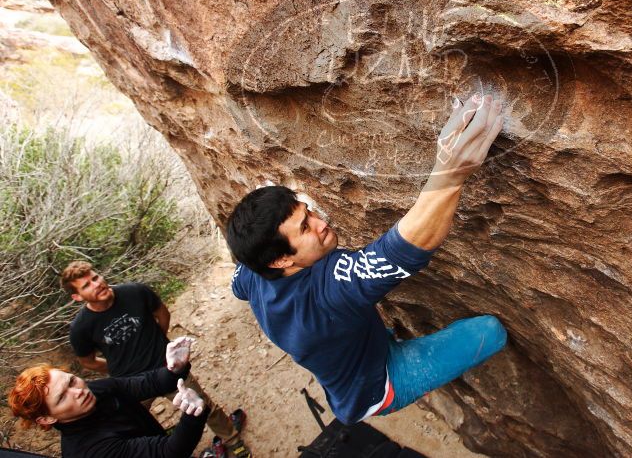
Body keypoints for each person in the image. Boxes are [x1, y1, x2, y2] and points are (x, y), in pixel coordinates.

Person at [226, 93, 508, 424]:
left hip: (347, 363)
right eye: (305, 227)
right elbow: (402, 251)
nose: (321, 223)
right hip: (376, 388)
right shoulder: (327, 292)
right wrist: (450, 173)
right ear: (279, 261)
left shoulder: (252, 273)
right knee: (490, 331)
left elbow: (237, 283)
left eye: (309, 212)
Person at [61, 261, 248, 455]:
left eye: (95, 277)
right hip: (129, 384)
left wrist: (158, 344)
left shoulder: (134, 292)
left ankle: (232, 439)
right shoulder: (81, 328)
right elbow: (87, 361)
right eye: (86, 285)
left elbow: (162, 314)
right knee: (134, 425)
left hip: (167, 368)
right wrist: (117, 368)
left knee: (203, 405)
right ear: (77, 296)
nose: (96, 284)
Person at [7, 337, 207, 458]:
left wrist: (174, 369)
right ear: (47, 418)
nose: (78, 391)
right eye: (61, 398)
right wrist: (193, 415)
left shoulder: (91, 391)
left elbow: (143, 384)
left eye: (71, 381)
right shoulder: (90, 451)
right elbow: (167, 452)